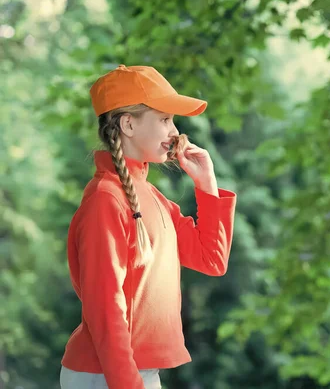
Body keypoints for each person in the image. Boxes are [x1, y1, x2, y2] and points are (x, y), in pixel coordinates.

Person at [60, 64, 236, 389]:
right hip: (107, 375)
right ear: (128, 123)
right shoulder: (105, 199)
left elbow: (212, 259)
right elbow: (105, 310)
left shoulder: (151, 196)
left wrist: (207, 185)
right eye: (164, 119)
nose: (174, 131)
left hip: (133, 372)